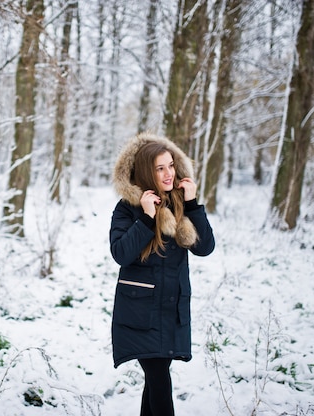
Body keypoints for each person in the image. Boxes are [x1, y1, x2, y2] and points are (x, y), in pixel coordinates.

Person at [109, 132, 215, 416]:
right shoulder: (127, 209)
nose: (169, 173)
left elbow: (205, 248)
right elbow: (121, 253)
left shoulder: (180, 204)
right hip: (140, 314)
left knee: (155, 381)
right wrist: (146, 217)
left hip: (170, 309)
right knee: (158, 380)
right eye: (160, 168)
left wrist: (192, 204)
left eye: (171, 165)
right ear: (146, 172)